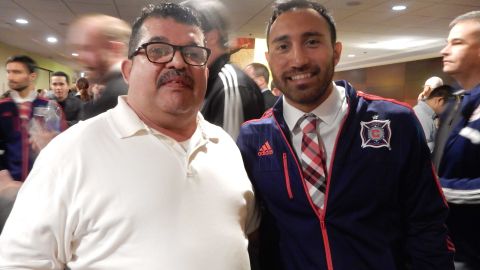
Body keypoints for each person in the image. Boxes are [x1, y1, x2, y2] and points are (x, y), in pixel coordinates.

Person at [0, 3, 258, 269]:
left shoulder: (225, 147)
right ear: (128, 71)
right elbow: (21, 262)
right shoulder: (70, 153)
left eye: (193, 53)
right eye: (158, 50)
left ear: (205, 71)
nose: (178, 62)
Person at [236, 1, 455, 269]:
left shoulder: (395, 122)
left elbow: (427, 223)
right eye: (283, 46)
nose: (298, 59)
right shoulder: (253, 138)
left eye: (312, 42)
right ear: (270, 60)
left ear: (336, 52)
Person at [435, 10, 480, 270]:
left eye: (457, 43)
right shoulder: (457, 105)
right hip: (454, 245)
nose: (444, 50)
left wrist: (435, 189)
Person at [182, 0, 264, 139]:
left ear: (211, 37)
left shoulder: (230, 85)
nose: (179, 46)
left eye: (188, 37)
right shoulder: (209, 80)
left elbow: (228, 155)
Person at [0, 55, 61, 182]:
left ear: (32, 76)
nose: (10, 77)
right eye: (8, 72)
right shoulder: (2, 107)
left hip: (43, 180)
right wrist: (2, 171)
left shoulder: (50, 106)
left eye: (17, 72)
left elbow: (63, 142)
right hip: (9, 182)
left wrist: (54, 141)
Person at [67, 14, 131, 120]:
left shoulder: (116, 95)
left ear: (115, 48)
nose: (80, 57)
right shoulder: (125, 85)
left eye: (87, 48)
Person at [413, 84, 454, 152]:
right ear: (440, 100)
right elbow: (424, 150)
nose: (449, 111)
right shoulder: (421, 115)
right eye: (449, 107)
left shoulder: (427, 114)